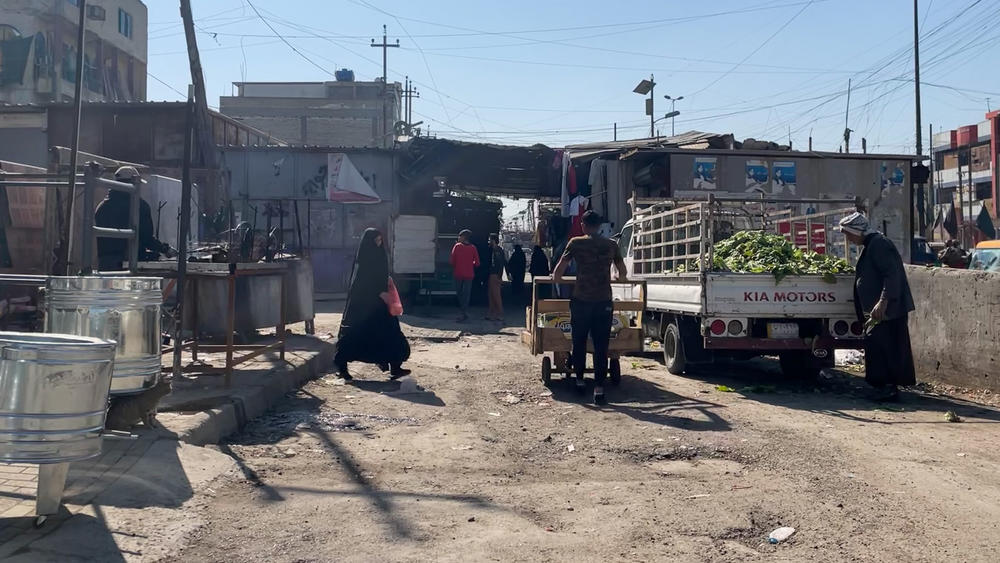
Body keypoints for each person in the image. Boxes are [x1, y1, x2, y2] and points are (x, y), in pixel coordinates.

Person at [837, 212, 916, 401]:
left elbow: (891, 275)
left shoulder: (879, 244)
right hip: (878, 312)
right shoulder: (871, 245)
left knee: (886, 348)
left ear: (858, 231)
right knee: (877, 347)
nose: (848, 238)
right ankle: (881, 386)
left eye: (849, 234)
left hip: (887, 311)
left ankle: (888, 388)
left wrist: (883, 301)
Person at [552, 211, 628, 405]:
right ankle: (599, 388)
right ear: (600, 225)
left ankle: (579, 381)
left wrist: (560, 280)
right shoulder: (611, 245)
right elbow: (622, 272)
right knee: (601, 345)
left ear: (583, 226)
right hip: (603, 301)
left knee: (579, 342)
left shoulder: (576, 243)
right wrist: (618, 279)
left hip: (581, 300)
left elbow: (558, 271)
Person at [334, 228, 411, 381]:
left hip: (381, 304)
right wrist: (378, 292)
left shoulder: (380, 254)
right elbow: (361, 283)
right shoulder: (363, 259)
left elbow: (380, 275)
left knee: (391, 333)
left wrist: (386, 285)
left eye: (380, 240)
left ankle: (395, 367)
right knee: (355, 335)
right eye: (375, 240)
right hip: (363, 306)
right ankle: (342, 368)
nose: (378, 243)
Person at [95, 166, 175, 271]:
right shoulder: (139, 206)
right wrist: (165, 249)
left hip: (105, 264)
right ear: (133, 184)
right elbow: (146, 238)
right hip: (129, 263)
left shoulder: (102, 207)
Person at [450, 229, 480, 322]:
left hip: (458, 274)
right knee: (466, 294)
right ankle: (464, 312)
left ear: (463, 237)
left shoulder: (457, 246)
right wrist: (471, 263)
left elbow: (452, 261)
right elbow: (477, 263)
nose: (458, 238)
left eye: (459, 236)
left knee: (459, 293)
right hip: (469, 274)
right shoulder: (473, 248)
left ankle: (463, 312)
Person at [486, 233, 506, 321]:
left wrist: (499, 276)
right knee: (490, 294)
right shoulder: (491, 250)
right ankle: (492, 312)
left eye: (490, 239)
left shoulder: (498, 250)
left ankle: (500, 313)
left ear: (493, 240)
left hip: (495, 275)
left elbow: (501, 264)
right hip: (491, 274)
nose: (488, 241)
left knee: (496, 295)